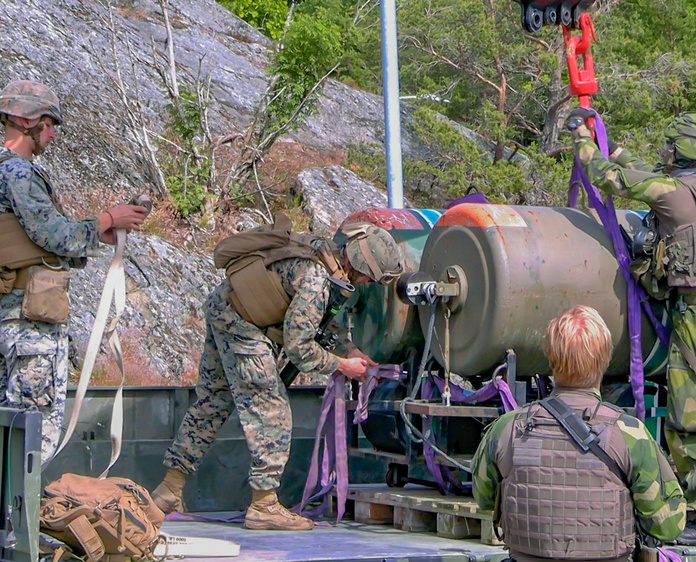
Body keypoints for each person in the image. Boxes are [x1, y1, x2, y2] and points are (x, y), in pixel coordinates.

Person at [567, 107, 696, 547]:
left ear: (684, 150)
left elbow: (612, 179)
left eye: (672, 146)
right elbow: (643, 172)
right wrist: (614, 146)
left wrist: (583, 141)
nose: (667, 151)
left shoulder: (674, 193)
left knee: (690, 416)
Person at [149, 220, 405, 531]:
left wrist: (349, 350)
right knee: (271, 409)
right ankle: (264, 505)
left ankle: (168, 491)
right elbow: (299, 347)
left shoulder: (324, 255)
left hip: (226, 308)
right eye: (369, 277)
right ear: (360, 266)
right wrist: (341, 366)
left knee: (214, 403)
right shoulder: (316, 279)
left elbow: (317, 322)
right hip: (243, 327)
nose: (366, 283)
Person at [0, 79, 149, 464]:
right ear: (23, 119)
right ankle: (20, 524)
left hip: (10, 318)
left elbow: (26, 238)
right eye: (48, 123)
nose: (52, 133)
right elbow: (54, 236)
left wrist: (99, 229)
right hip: (26, 323)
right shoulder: (18, 173)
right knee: (34, 433)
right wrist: (108, 218)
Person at [472, 305, 686, 561]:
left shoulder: (507, 429)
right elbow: (667, 523)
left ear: (550, 358)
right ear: (605, 359)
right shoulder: (629, 434)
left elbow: (484, 499)